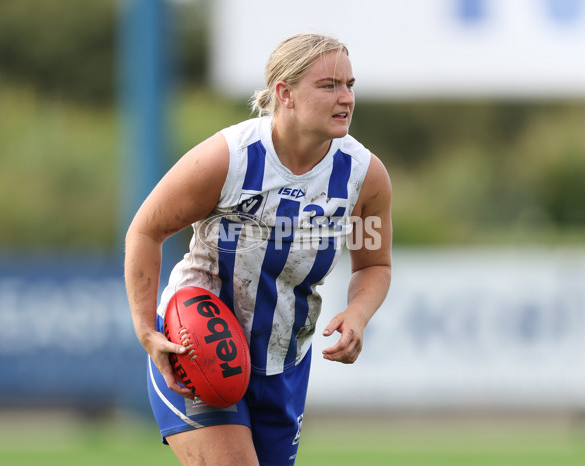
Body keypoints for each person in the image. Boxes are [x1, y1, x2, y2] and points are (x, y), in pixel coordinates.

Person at [124, 33, 392, 465]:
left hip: (285, 362)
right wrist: (145, 330)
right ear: (284, 93)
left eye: (350, 85)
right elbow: (145, 231)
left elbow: (374, 264)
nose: (346, 98)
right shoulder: (227, 159)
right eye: (329, 86)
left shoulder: (364, 177)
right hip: (199, 348)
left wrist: (358, 314)